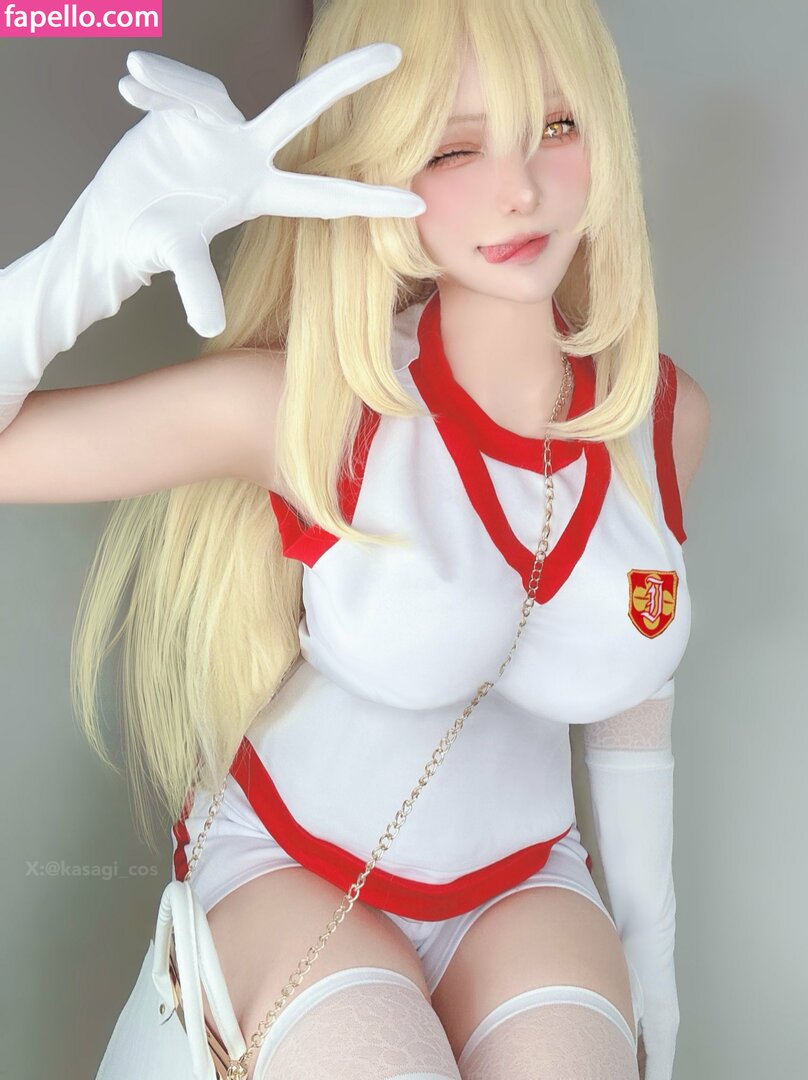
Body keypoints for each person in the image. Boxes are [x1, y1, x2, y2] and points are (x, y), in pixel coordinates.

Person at [0, 1, 710, 1077]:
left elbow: (632, 690)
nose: (519, 188)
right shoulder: (317, 408)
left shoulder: (658, 416)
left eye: (556, 128)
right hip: (297, 871)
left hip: (528, 881)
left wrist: (651, 953)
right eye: (454, 148)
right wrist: (92, 255)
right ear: (378, 162)